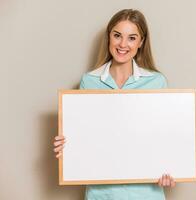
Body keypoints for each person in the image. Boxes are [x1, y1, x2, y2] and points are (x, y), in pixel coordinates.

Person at [53, 9, 175, 200]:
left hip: (145, 194)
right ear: (109, 36)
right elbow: (85, 137)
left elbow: (165, 138)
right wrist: (67, 148)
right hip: (101, 193)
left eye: (132, 38)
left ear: (141, 42)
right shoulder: (89, 82)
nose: (123, 44)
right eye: (117, 35)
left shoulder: (156, 82)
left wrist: (172, 168)